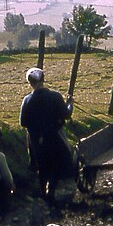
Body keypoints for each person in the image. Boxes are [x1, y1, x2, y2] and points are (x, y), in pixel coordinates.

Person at [20, 67, 75, 204]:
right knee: (57, 161)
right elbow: (66, 114)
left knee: (40, 164)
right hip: (54, 137)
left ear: (30, 83)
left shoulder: (27, 100)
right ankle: (52, 189)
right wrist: (70, 105)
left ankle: (42, 190)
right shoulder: (55, 96)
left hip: (35, 139)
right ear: (43, 80)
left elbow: (23, 122)